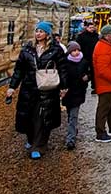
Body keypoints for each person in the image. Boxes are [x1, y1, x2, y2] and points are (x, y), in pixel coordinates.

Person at [5, 21, 68, 159]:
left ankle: (39, 145)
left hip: (47, 89)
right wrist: (12, 87)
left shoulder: (55, 50)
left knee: (42, 118)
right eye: (37, 31)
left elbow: (63, 69)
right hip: (29, 88)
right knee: (28, 117)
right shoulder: (27, 50)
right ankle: (31, 139)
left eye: (41, 31)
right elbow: (19, 70)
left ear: (47, 34)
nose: (38, 34)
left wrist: (64, 86)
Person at [62, 41, 89, 150]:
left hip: (78, 92)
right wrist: (63, 87)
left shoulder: (84, 61)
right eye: (74, 50)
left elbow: (89, 72)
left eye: (78, 50)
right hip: (68, 92)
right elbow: (62, 76)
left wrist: (87, 77)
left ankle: (70, 139)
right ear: (69, 52)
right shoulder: (65, 62)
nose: (76, 52)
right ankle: (72, 130)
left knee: (73, 115)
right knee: (70, 114)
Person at [77, 21, 99, 92]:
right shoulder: (81, 36)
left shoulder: (96, 36)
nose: (92, 29)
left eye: (93, 27)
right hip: (84, 57)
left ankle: (94, 86)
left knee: (94, 72)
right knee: (84, 72)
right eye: (90, 28)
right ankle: (83, 86)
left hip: (94, 57)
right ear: (86, 28)